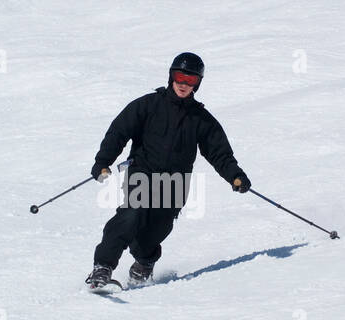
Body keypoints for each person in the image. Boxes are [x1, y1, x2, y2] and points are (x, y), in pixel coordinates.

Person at [86, 52, 251, 288]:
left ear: (198, 84)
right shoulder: (148, 105)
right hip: (142, 173)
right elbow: (119, 131)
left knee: (158, 226)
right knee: (131, 215)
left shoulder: (201, 119)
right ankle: (103, 267)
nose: (184, 84)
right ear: (171, 76)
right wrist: (103, 161)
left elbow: (219, 152)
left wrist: (235, 176)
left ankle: (143, 262)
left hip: (175, 183)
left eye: (191, 80)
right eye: (180, 77)